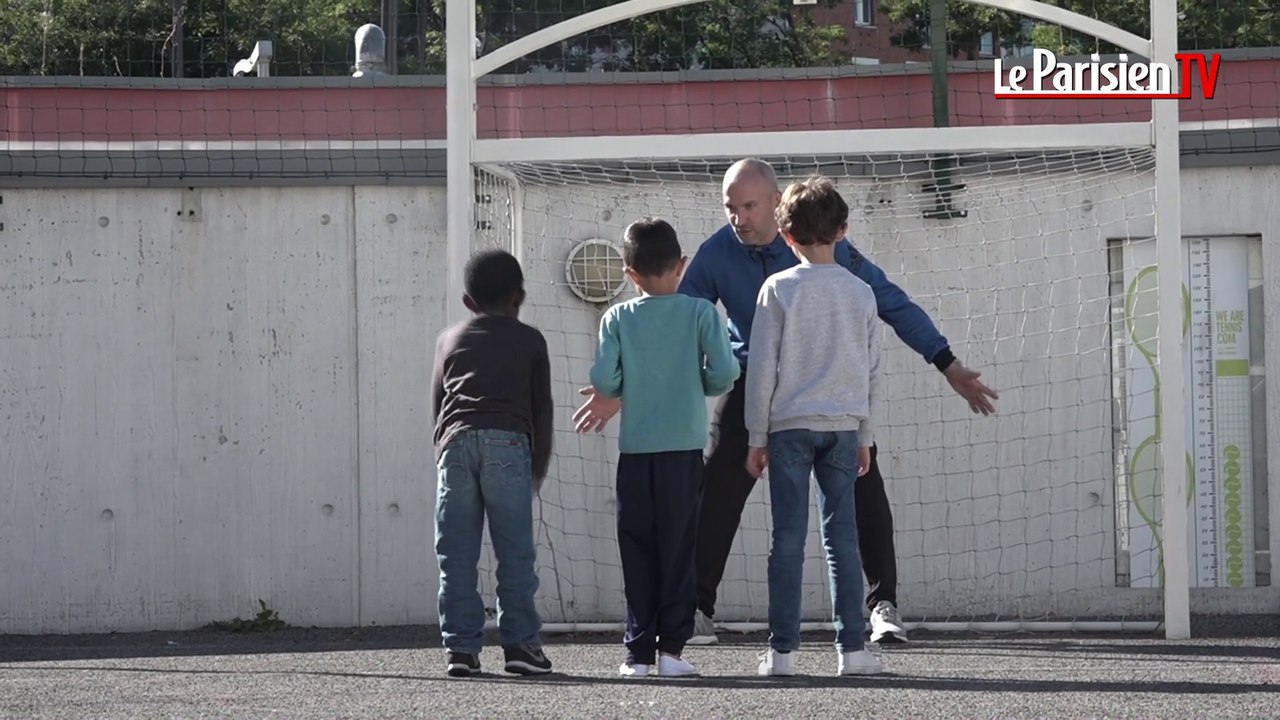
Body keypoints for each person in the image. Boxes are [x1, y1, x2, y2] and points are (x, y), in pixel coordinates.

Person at [574, 158, 999, 646]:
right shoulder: (715, 254)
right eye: (730, 207)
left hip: (818, 389)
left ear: (777, 206)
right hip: (750, 383)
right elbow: (668, 327)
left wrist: (947, 363)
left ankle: (882, 606)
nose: (739, 217)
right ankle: (695, 609)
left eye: (749, 206)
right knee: (713, 490)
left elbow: (888, 301)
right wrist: (621, 392)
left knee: (863, 482)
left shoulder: (824, 247)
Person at [745, 175, 886, 676]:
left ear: (785, 236)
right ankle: (852, 650)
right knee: (841, 539)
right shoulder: (861, 292)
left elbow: (761, 367)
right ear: (843, 229)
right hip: (844, 428)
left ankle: (781, 653)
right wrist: (865, 435)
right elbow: (870, 371)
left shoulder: (777, 288)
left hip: (788, 428)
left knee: (787, 538)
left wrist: (755, 436)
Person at [588, 218, 740, 678]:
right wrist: (699, 380)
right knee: (678, 548)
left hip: (635, 453)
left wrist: (617, 385)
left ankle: (636, 653)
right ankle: (672, 650)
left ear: (629, 274)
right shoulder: (699, 313)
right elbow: (724, 373)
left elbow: (606, 380)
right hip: (684, 453)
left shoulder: (616, 317)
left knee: (635, 547)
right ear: (682, 264)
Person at [431, 249, 554, 678]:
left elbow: (438, 402)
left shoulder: (449, 340)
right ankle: (520, 645)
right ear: (519, 297)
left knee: (456, 555)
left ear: (468, 302)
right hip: (508, 443)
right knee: (515, 553)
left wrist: (443, 453)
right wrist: (538, 466)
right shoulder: (531, 340)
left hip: (457, 444)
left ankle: (461, 649)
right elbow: (542, 408)